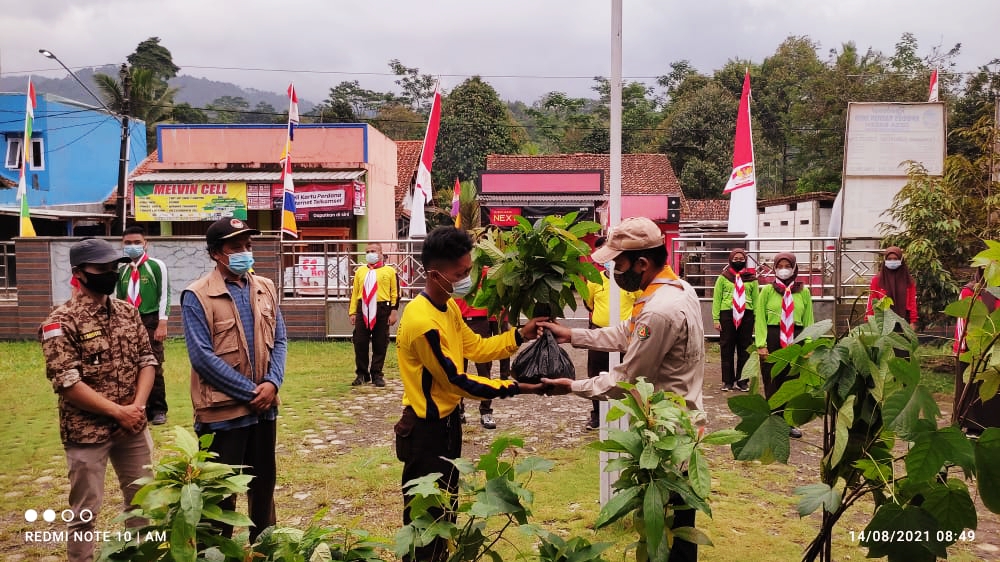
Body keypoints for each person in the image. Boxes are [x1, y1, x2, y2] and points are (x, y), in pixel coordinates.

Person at [540, 217, 705, 562]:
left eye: (619, 263)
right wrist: (573, 335)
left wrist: (573, 386)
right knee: (678, 526)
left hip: (667, 437)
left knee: (668, 534)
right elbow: (626, 332)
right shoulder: (677, 290)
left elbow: (625, 379)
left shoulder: (659, 311)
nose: (614, 270)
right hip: (685, 426)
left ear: (642, 263)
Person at [393, 226, 549, 562]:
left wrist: (519, 335)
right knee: (425, 523)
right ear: (434, 274)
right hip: (425, 432)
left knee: (446, 512)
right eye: (460, 274)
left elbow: (476, 347)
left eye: (468, 271)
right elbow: (457, 382)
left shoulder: (448, 306)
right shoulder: (422, 323)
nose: (467, 280)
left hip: (448, 424)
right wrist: (517, 387)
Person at [40, 238, 156, 562]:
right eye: (101, 268)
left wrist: (137, 409)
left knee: (143, 503)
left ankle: (139, 556)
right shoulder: (60, 321)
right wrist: (119, 412)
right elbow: (67, 382)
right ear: (79, 272)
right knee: (84, 513)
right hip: (87, 433)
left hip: (132, 427)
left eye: (113, 267)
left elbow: (147, 361)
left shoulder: (127, 312)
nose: (110, 273)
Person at [181, 217, 287, 542]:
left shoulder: (265, 287)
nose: (244, 252)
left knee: (263, 488)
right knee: (219, 498)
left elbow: (280, 339)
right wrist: (252, 392)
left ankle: (264, 549)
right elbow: (202, 357)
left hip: (264, 411)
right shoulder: (197, 295)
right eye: (236, 247)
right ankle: (215, 553)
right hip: (222, 414)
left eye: (248, 246)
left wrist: (272, 384)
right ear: (216, 253)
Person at [582, 236, 642, 429]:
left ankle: (628, 414)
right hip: (599, 333)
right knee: (596, 374)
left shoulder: (630, 281)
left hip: (626, 335)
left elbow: (641, 302)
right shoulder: (595, 281)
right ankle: (598, 415)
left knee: (627, 375)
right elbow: (589, 303)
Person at [755, 252, 814, 439]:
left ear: (794, 268)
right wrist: (761, 344)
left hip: (796, 339)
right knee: (772, 379)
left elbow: (809, 320)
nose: (783, 270)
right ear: (774, 269)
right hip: (773, 337)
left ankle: (788, 423)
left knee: (791, 381)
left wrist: (809, 344)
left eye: (787, 266)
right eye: (779, 266)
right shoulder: (767, 291)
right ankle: (773, 421)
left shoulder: (803, 292)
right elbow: (760, 318)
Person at [116, 225, 171, 425]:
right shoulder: (122, 270)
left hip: (150, 320)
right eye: (128, 243)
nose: (133, 246)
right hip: (128, 321)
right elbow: (119, 299)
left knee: (153, 364)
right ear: (122, 245)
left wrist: (162, 322)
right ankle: (141, 408)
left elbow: (164, 294)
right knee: (131, 365)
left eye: (137, 242)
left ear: (145, 243)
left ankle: (158, 409)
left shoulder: (156, 266)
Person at [953, 267, 1000, 436]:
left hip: (996, 350)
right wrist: (961, 347)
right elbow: (962, 321)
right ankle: (972, 427)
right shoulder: (969, 291)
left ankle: (994, 427)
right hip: (973, 348)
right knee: (971, 388)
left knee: (993, 390)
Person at [455, 294, 511, 429]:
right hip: (458, 316)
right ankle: (458, 410)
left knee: (484, 369)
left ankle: (486, 411)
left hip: (481, 317)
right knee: (457, 369)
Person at [348, 242, 399, 387]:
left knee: (380, 342)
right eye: (368, 251)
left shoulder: (390, 271)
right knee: (360, 341)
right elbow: (355, 293)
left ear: (381, 253)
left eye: (373, 251)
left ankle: (377, 374)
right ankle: (362, 374)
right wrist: (352, 312)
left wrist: (393, 312)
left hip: (382, 308)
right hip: (363, 308)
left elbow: (395, 293)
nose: (370, 254)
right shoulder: (360, 271)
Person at [712, 248, 759, 392]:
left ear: (745, 260)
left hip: (747, 315)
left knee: (745, 348)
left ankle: (742, 381)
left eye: (741, 259)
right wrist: (716, 319)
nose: (738, 261)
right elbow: (717, 299)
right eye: (736, 258)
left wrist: (756, 320)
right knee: (727, 348)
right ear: (730, 260)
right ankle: (728, 381)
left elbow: (756, 301)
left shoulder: (752, 279)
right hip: (727, 314)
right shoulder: (723, 278)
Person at [866, 246, 918, 329]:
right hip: (883, 322)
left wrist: (913, 321)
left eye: (895, 259)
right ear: (885, 260)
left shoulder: (908, 280)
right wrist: (869, 319)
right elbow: (872, 300)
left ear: (901, 260)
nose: (892, 261)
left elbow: (912, 302)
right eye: (889, 259)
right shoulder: (877, 280)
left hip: (904, 321)